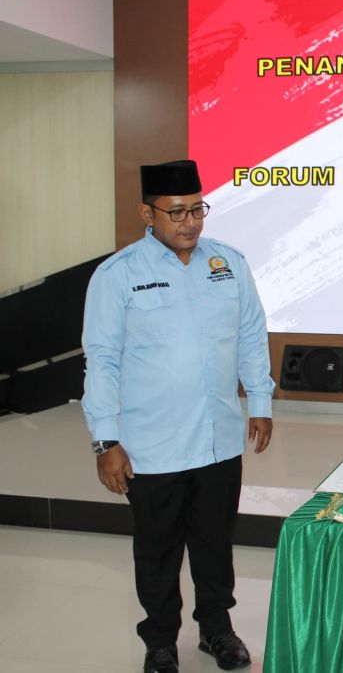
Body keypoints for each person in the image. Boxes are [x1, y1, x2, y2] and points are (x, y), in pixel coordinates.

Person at [82, 160, 274, 673]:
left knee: (215, 543)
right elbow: (102, 360)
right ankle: (161, 641)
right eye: (176, 212)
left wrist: (260, 401)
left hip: (218, 439)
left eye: (197, 210)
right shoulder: (118, 275)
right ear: (148, 214)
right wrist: (105, 440)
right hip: (151, 445)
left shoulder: (229, 263)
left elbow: (251, 334)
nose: (190, 222)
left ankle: (217, 629)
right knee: (158, 550)